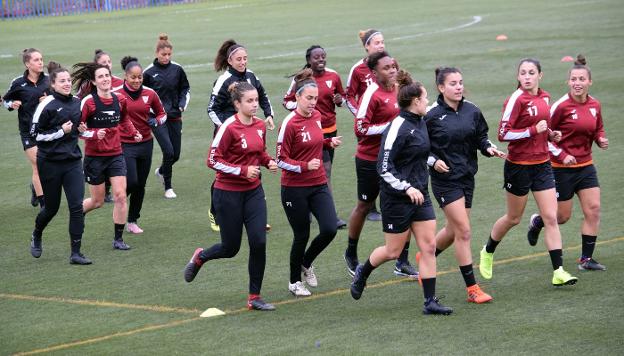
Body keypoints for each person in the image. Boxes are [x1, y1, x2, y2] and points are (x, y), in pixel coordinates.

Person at [350, 70, 452, 315]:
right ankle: (363, 272)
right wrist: (406, 187)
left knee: (428, 247)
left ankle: (430, 302)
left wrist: (431, 160)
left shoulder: (420, 122)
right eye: (426, 98)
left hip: (420, 194)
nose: (428, 102)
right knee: (393, 251)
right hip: (397, 198)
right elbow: (383, 167)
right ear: (416, 101)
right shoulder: (397, 127)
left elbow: (416, 152)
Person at [479, 58, 578, 287]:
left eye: (531, 72)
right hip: (518, 167)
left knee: (551, 217)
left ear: (539, 75)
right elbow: (504, 134)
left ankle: (559, 271)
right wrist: (534, 130)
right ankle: (488, 250)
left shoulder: (545, 97)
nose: (526, 76)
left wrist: (551, 135)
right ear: (518, 77)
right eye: (522, 73)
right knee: (513, 218)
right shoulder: (516, 99)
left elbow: (544, 127)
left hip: (543, 165)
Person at [184, 81, 278, 311]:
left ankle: (254, 297)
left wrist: (268, 162)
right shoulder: (229, 127)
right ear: (237, 104)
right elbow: (212, 160)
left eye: (256, 100)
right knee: (230, 248)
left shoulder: (259, 125)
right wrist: (242, 170)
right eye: (249, 101)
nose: (255, 105)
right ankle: (200, 257)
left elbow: (260, 152)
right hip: (227, 194)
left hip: (254, 192)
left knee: (258, 241)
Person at [424, 67, 506, 303]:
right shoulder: (431, 115)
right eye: (453, 83)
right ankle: (472, 289)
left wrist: (488, 148)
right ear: (441, 88)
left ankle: (427, 257)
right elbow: (420, 146)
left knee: (452, 230)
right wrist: (434, 160)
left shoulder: (472, 110)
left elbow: (481, 136)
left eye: (460, 82)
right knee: (464, 231)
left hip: (467, 177)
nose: (459, 87)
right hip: (444, 180)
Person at [526, 55, 608, 271]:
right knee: (562, 216)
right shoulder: (560, 106)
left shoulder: (595, 105)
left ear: (590, 82)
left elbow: (598, 127)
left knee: (594, 209)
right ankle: (537, 222)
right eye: (573, 79)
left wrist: (600, 139)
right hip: (561, 169)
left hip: (585, 166)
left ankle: (586, 259)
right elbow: (544, 136)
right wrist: (562, 155)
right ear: (568, 82)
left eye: (582, 79)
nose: (577, 83)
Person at [344, 51, 417, 279]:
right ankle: (351, 253)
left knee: (408, 204)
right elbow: (361, 128)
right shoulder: (371, 95)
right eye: (386, 68)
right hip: (370, 159)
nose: (392, 70)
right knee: (364, 206)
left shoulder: (400, 90)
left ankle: (402, 261)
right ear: (374, 73)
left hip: (397, 160)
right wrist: (390, 126)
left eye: (393, 66)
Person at [277, 68, 343, 297]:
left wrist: (328, 142)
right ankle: (294, 282)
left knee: (329, 228)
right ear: (297, 97)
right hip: (294, 189)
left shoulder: (317, 117)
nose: (314, 102)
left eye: (316, 98)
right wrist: (305, 166)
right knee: (301, 235)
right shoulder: (289, 123)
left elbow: (313, 140)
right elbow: (280, 160)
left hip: (318, 184)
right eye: (309, 98)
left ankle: (306, 263)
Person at [206, 39, 275, 232]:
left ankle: (256, 216)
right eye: (238, 59)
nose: (243, 62)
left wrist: (269, 114)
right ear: (229, 61)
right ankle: (215, 211)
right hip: (228, 136)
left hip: (250, 131)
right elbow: (212, 109)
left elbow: (263, 95)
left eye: (245, 58)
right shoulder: (223, 80)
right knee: (225, 172)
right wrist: (228, 127)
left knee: (254, 168)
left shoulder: (252, 76)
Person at [73, 62, 142, 250]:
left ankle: (118, 240)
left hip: (116, 154)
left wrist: (133, 131)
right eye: (100, 77)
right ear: (94, 82)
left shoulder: (120, 99)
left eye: (107, 76)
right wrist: (94, 134)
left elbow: (124, 118)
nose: (105, 79)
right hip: (95, 158)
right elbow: (77, 131)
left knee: (120, 196)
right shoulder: (88, 102)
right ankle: (78, 212)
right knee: (98, 201)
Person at [29, 63, 91, 264]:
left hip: (72, 162)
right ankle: (37, 233)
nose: (66, 84)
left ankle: (76, 253)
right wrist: (60, 132)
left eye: (68, 81)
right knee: (51, 208)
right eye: (62, 81)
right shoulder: (45, 105)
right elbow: (35, 135)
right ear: (53, 84)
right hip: (50, 163)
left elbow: (78, 129)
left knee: (76, 207)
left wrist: (82, 130)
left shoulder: (77, 102)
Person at [282, 45, 347, 229]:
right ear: (309, 60)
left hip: (329, 132)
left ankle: (311, 206)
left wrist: (339, 101)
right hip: (307, 133)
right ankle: (330, 215)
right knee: (323, 171)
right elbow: (286, 101)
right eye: (316, 57)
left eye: (323, 56)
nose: (320, 60)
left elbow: (342, 97)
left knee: (321, 170)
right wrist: (301, 112)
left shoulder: (333, 75)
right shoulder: (302, 79)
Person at [114, 56, 167, 234]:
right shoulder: (116, 94)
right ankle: (120, 200)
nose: (137, 81)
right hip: (125, 144)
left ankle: (132, 220)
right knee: (133, 181)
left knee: (141, 184)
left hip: (146, 143)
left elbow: (162, 114)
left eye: (140, 77)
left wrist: (156, 122)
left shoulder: (150, 94)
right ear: (125, 77)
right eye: (133, 77)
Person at [345, 29, 387, 222]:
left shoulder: (387, 65)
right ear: (366, 46)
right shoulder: (358, 69)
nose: (381, 45)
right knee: (370, 160)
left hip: (388, 121)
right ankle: (370, 206)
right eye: (377, 43)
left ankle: (387, 201)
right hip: (368, 125)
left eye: (382, 42)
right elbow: (349, 96)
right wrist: (360, 115)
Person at [143, 33, 191, 199]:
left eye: (169, 54)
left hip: (175, 116)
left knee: (175, 154)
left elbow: (185, 88)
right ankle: (168, 187)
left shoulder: (177, 69)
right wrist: (148, 114)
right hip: (157, 119)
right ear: (157, 53)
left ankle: (162, 171)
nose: (166, 57)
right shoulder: (148, 73)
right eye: (164, 54)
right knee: (168, 151)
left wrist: (182, 104)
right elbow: (142, 94)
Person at [2, 48, 50, 209]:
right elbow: (5, 100)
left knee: (48, 165)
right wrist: (12, 104)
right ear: (27, 63)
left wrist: (50, 98)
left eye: (41, 59)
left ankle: (34, 189)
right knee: (38, 164)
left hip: (48, 130)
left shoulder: (49, 80)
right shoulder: (18, 83)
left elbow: (61, 100)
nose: (40, 62)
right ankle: (44, 203)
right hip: (28, 131)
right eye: (36, 60)